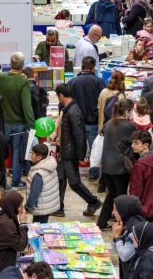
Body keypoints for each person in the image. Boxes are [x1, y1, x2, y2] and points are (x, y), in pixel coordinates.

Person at [54, 83, 102, 216]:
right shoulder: (69, 109)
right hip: (65, 151)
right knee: (60, 179)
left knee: (74, 182)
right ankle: (59, 208)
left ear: (62, 95)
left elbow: (79, 135)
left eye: (58, 96)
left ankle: (93, 201)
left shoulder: (73, 111)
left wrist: (81, 155)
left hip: (70, 153)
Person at [97, 99, 135, 229]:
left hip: (107, 165)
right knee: (121, 196)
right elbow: (133, 145)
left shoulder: (109, 123)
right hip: (120, 166)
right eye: (131, 111)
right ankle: (122, 222)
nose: (132, 113)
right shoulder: (129, 126)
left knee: (111, 194)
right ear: (126, 111)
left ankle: (102, 222)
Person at [0, 53, 34, 188]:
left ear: (10, 64)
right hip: (19, 123)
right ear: (22, 66)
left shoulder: (1, 77)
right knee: (17, 153)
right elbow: (27, 105)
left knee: (1, 151)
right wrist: (32, 124)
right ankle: (16, 181)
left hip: (4, 122)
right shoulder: (23, 81)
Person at [67, 56, 105, 180]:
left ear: (82, 66)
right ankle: (93, 173)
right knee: (95, 149)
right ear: (93, 67)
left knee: (75, 146)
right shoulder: (98, 82)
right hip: (93, 121)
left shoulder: (72, 82)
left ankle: (73, 172)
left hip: (76, 121)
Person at [128, 130, 153, 223]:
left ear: (146, 145)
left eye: (136, 143)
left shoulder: (140, 165)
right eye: (132, 142)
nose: (132, 145)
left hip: (143, 208)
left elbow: (136, 190)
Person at [111, 195, 148, 279]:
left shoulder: (136, 228)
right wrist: (116, 236)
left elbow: (124, 256)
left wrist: (117, 237)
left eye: (115, 209)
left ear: (124, 210)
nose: (113, 213)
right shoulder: (125, 223)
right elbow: (115, 249)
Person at [25, 144, 59, 223]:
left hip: (41, 207)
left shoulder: (38, 174)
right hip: (47, 205)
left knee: (38, 229)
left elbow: (34, 193)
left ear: (39, 158)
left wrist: (28, 208)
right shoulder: (50, 166)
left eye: (33, 153)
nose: (31, 155)